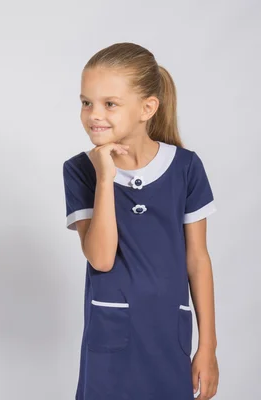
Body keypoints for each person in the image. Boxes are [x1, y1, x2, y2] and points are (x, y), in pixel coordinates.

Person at [62, 42, 220, 400]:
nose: (93, 115)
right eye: (86, 102)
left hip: (170, 339)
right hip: (110, 341)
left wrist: (207, 347)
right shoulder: (81, 171)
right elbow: (101, 258)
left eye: (109, 104)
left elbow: (197, 259)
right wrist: (105, 178)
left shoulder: (186, 168)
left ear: (147, 108)